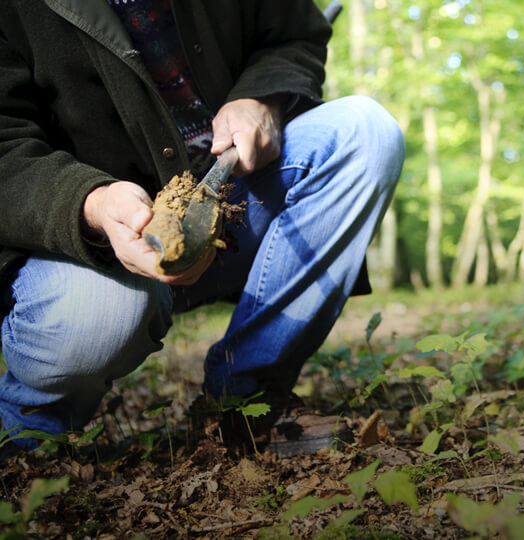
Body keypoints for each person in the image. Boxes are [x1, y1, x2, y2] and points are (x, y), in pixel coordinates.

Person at [0, 0, 403, 453]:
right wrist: (89, 205)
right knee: (100, 315)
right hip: (91, 235)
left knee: (365, 133)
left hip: (236, 194)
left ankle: (244, 402)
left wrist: (262, 95)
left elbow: (294, 32)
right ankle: (26, 443)